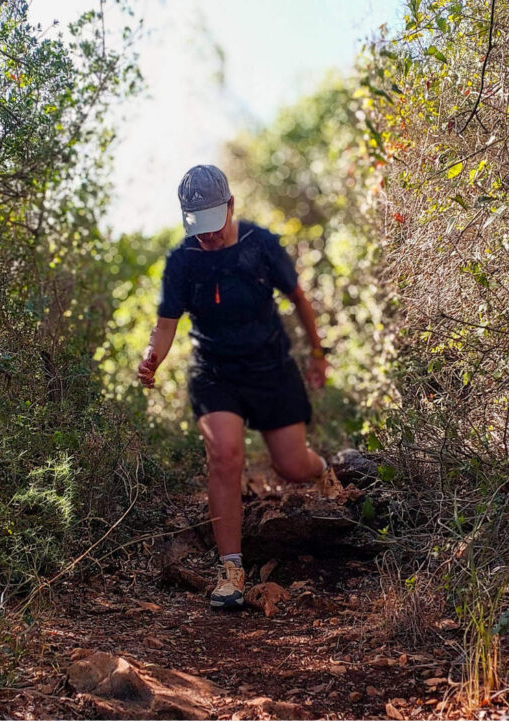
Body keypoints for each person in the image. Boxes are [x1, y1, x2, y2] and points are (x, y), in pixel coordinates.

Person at [136, 164, 338, 610]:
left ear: (230, 207)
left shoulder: (261, 246)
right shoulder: (182, 262)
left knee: (291, 466)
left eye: (213, 225)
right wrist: (153, 357)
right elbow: (165, 325)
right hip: (216, 373)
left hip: (270, 368)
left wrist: (319, 356)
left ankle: (324, 470)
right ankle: (231, 570)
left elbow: (299, 299)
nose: (206, 237)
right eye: (197, 228)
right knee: (224, 454)